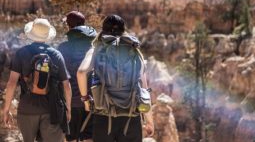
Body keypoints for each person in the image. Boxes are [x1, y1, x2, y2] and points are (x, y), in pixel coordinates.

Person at [77, 14, 154, 142]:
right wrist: (149, 120)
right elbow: (144, 89)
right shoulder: (134, 51)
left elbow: (81, 72)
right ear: (124, 30)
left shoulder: (97, 49)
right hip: (131, 116)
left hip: (103, 115)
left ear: (103, 29)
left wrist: (86, 100)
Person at [3, 18, 72, 142]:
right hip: (51, 110)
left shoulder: (21, 53)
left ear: (31, 34)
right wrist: (69, 109)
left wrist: (6, 110)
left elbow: (12, 83)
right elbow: (66, 85)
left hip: (27, 109)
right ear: (47, 36)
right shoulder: (56, 55)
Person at [58, 11, 97, 142]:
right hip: (91, 100)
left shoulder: (62, 48)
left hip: (70, 102)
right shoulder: (92, 48)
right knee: (88, 137)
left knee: (71, 138)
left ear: (69, 26)